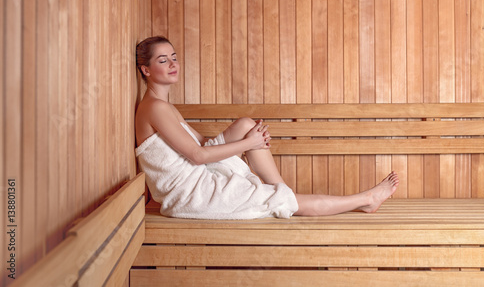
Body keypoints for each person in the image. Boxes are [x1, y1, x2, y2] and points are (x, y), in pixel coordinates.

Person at [135, 36, 399, 220]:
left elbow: (200, 145)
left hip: (195, 175)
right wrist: (249, 145)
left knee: (246, 125)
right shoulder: (155, 108)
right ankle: (365, 200)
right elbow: (197, 156)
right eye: (162, 60)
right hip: (192, 194)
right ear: (146, 69)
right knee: (251, 139)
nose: (173, 64)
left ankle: (283, 194)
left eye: (174, 57)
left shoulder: (162, 105)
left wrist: (248, 136)